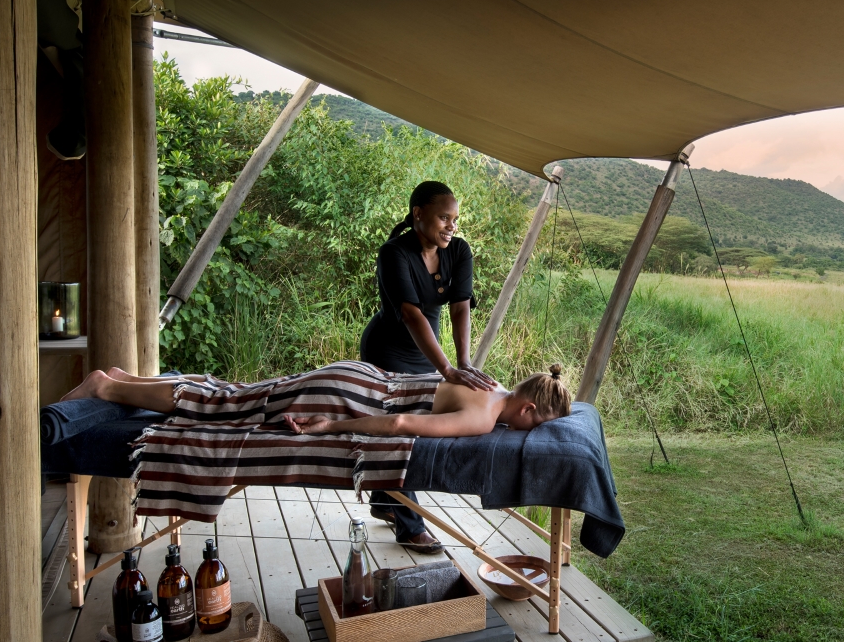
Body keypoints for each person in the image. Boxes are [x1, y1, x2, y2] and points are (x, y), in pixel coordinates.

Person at [358, 181, 493, 552]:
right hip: (387, 352)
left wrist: (463, 362)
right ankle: (410, 525)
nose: (451, 226)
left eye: (455, 219)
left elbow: (460, 306)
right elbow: (410, 313)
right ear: (418, 214)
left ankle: (386, 502)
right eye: (443, 217)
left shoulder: (459, 251)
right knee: (400, 432)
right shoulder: (394, 253)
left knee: (414, 429)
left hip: (427, 355)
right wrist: (448, 370)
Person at [60, 362, 572, 438]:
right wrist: (332, 428)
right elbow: (397, 427)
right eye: (537, 424)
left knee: (239, 393)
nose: (529, 430)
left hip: (360, 373)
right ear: (527, 409)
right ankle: (106, 388)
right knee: (227, 407)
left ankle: (123, 377)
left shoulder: (493, 384)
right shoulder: (485, 417)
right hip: (352, 396)